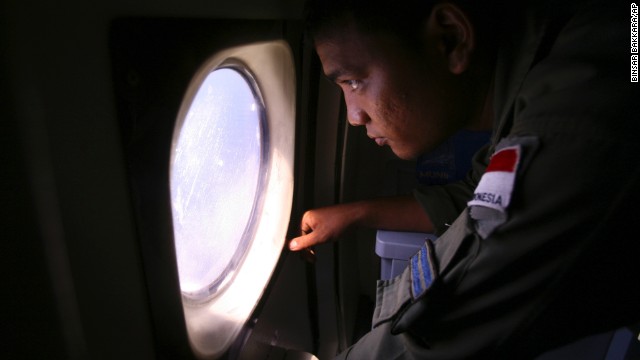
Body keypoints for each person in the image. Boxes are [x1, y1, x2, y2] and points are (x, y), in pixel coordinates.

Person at [289, 0, 640, 358]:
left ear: (452, 38)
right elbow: (473, 195)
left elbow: (437, 331)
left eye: (354, 81)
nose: (353, 115)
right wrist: (357, 213)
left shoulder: (568, 127)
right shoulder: (563, 61)